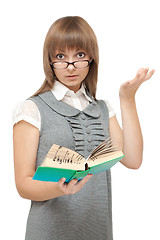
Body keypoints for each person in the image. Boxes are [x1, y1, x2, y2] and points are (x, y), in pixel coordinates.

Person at [12, 16, 155, 240]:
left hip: (96, 231)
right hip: (49, 233)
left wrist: (127, 99)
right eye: (61, 57)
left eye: (79, 55)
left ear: (91, 58)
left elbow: (134, 160)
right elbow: (23, 184)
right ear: (49, 61)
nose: (71, 66)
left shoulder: (102, 109)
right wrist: (58, 189)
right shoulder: (32, 109)